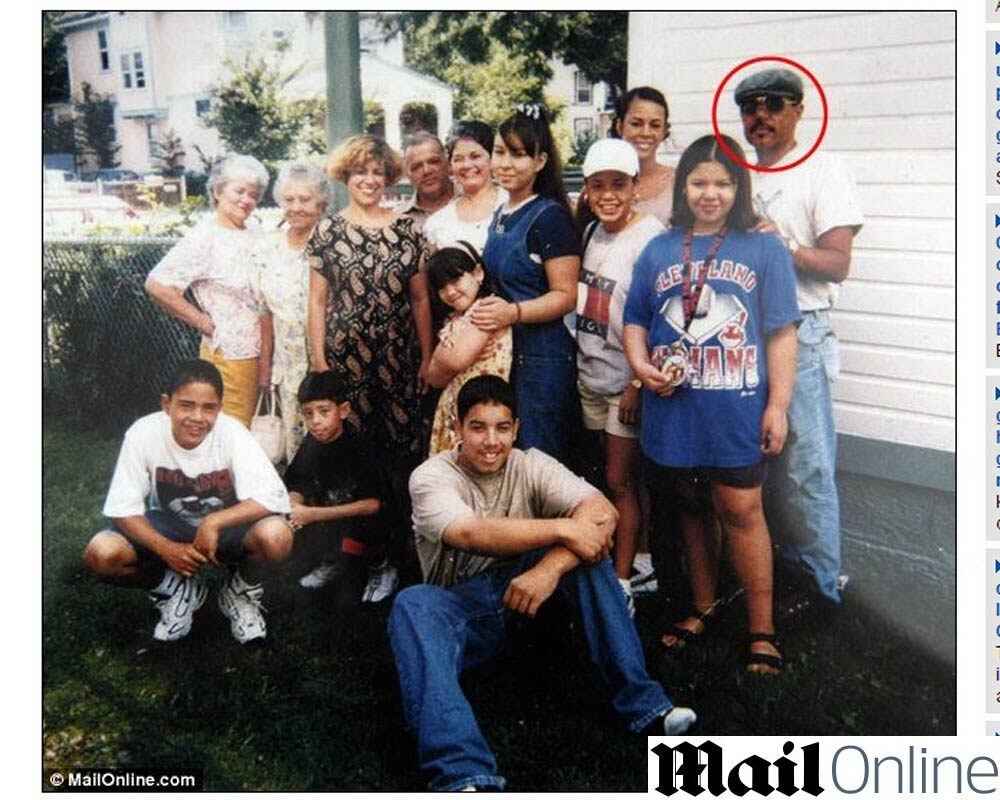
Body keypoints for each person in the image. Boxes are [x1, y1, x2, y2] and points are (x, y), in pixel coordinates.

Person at [389, 376, 696, 792]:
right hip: (464, 614)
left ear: (515, 429)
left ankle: (648, 709)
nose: (490, 441)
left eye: (501, 428)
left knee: (588, 556)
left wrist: (548, 569)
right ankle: (463, 773)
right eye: (477, 427)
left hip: (532, 605)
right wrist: (565, 530)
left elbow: (603, 513)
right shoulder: (431, 476)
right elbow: (469, 533)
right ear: (456, 429)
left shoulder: (530, 462)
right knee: (412, 604)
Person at [622, 134, 801, 674]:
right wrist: (640, 366)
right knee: (689, 505)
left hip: (736, 406)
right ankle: (703, 607)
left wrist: (778, 405)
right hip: (674, 407)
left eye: (723, 183)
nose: (710, 193)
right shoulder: (658, 246)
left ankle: (762, 628)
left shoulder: (764, 247)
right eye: (699, 181)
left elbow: (782, 333)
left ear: (739, 188)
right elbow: (634, 319)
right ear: (683, 186)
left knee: (742, 509)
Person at [735, 67, 864, 609]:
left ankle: (819, 583)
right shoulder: (737, 174)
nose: (761, 115)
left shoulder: (823, 169)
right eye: (751, 106)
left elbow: (838, 263)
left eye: (774, 104)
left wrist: (784, 247)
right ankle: (763, 574)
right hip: (742, 332)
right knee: (750, 460)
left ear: (798, 110)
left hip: (801, 332)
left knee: (807, 463)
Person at [82, 359, 293, 643]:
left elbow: (272, 497)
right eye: (186, 405)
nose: (197, 417)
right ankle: (176, 590)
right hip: (170, 525)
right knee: (101, 554)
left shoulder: (232, 433)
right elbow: (122, 509)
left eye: (209, 408)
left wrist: (213, 521)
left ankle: (239, 593)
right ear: (167, 404)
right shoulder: (143, 433)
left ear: (219, 409)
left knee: (277, 536)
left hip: (225, 530)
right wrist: (167, 549)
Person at [575, 138, 666, 615]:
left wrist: (637, 381)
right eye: (597, 186)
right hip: (592, 370)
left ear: (635, 187)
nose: (608, 194)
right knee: (615, 479)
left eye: (618, 185)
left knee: (619, 480)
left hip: (625, 381)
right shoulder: (592, 232)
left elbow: (660, 313)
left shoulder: (650, 236)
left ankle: (623, 581)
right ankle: (641, 558)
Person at [306, 134, 433, 465]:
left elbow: (420, 300)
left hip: (398, 356)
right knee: (351, 444)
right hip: (345, 356)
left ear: (389, 178)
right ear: (346, 175)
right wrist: (319, 361)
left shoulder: (408, 230)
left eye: (378, 172)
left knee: (401, 442)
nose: (369, 180)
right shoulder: (327, 232)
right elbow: (317, 301)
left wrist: (426, 356)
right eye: (361, 172)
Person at [474, 104, 581, 462]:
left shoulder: (549, 217)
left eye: (518, 155)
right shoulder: (501, 213)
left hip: (543, 358)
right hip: (505, 354)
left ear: (540, 161)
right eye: (500, 152)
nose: (505, 164)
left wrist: (513, 312)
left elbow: (565, 296)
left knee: (538, 458)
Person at [145, 154, 270, 426]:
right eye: (239, 191)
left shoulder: (255, 231)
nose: (247, 200)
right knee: (233, 430)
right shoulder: (205, 237)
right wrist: (202, 322)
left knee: (259, 433)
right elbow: (157, 285)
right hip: (232, 353)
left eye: (254, 195)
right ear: (217, 191)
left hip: (265, 351)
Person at [284, 371, 396, 608]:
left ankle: (381, 568)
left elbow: (372, 505)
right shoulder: (311, 443)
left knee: (362, 535)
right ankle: (331, 560)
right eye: (308, 414)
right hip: (329, 513)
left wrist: (312, 514)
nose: (315, 421)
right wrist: (295, 505)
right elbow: (296, 481)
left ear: (343, 411)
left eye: (324, 411)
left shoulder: (360, 447)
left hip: (364, 520)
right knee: (295, 521)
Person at [253, 161, 330, 462]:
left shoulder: (333, 243)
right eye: (289, 199)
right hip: (288, 371)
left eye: (305, 199)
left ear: (321, 202)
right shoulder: (266, 249)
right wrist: (264, 373)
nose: (296, 207)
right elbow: (265, 314)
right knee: (296, 450)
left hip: (328, 364)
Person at [424, 242, 513, 456]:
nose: (450, 291)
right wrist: (442, 357)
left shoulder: (486, 308)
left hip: (482, 408)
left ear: (478, 273)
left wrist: (442, 357)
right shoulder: (456, 318)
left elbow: (457, 360)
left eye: (455, 280)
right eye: (442, 287)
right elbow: (432, 378)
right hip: (456, 407)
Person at [423, 120, 507, 254]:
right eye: (458, 159)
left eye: (475, 156)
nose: (467, 165)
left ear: (491, 157)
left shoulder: (516, 205)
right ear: (450, 165)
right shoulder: (438, 223)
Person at [614, 86, 675, 226]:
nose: (646, 133)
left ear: (664, 130)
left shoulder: (680, 185)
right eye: (636, 124)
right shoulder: (601, 184)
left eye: (655, 125)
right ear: (620, 126)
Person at [398, 131, 455, 234]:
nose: (427, 170)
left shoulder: (475, 198)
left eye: (433, 162)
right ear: (408, 174)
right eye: (416, 167)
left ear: (447, 162)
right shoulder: (399, 219)